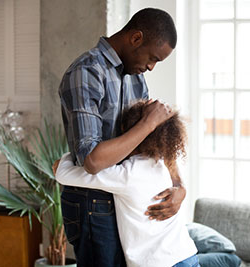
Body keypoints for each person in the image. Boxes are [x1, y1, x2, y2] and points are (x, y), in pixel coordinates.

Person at [58, 8, 186, 267]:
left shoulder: (136, 78)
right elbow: (92, 160)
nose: (151, 67)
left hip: (122, 197)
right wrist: (149, 123)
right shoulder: (86, 72)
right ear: (136, 38)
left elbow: (155, 140)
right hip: (92, 202)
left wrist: (179, 187)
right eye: (152, 58)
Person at [54, 101, 199, 267]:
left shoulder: (127, 174)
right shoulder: (164, 165)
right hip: (187, 255)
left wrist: (66, 157)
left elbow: (64, 173)